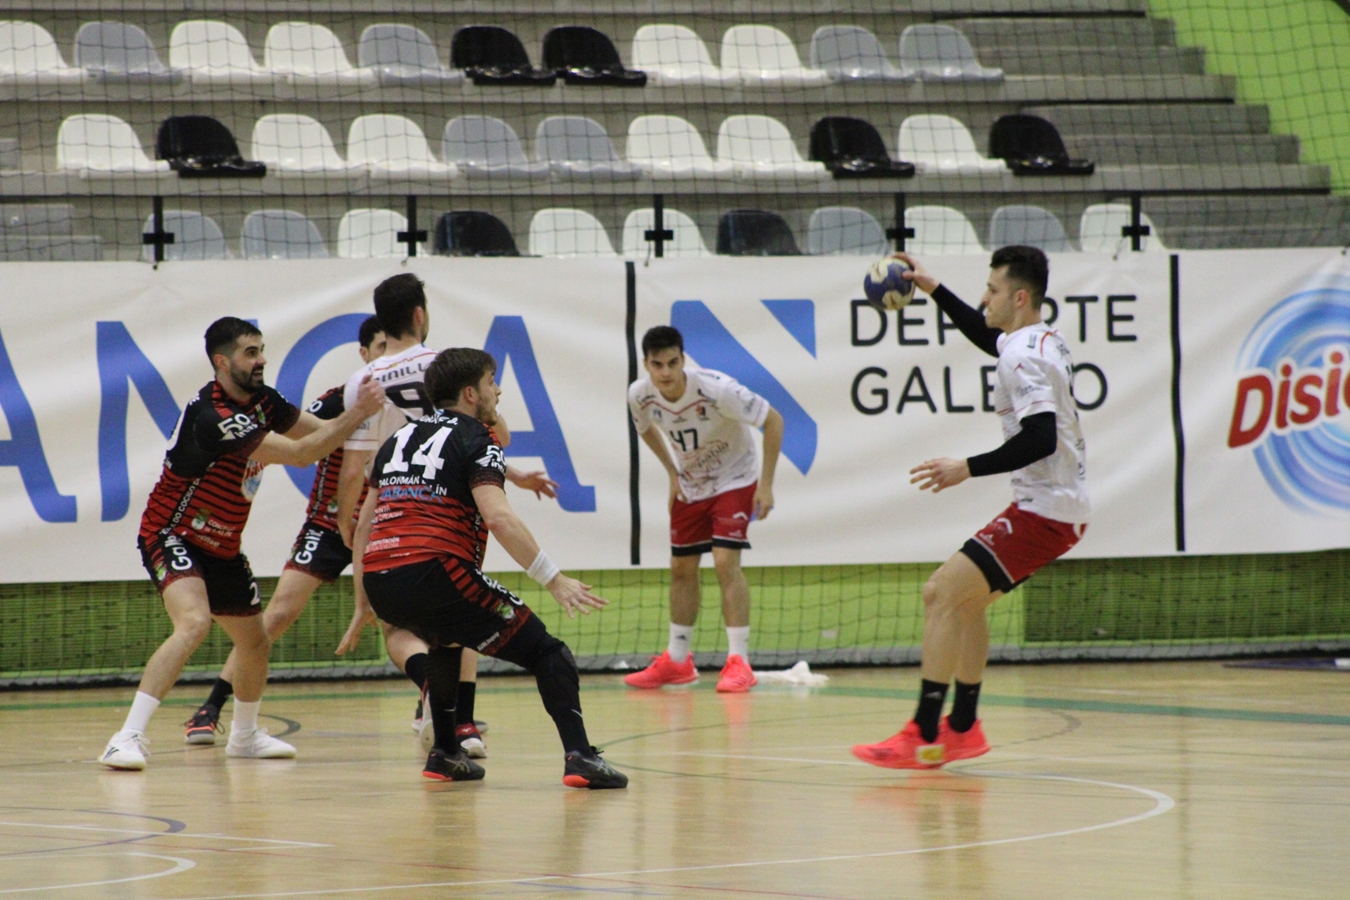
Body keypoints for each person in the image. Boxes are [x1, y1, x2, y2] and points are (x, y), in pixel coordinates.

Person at [100, 317, 385, 770]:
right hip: (173, 533)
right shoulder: (214, 417)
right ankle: (125, 737)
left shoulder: (264, 401)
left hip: (223, 546)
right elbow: (301, 454)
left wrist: (373, 421)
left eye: (262, 349)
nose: (262, 359)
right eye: (251, 352)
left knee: (255, 643)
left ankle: (245, 736)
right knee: (194, 623)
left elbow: (320, 431)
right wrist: (358, 413)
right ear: (222, 361)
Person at [852, 246, 1089, 769]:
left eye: (993, 290)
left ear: (1019, 298)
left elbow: (1041, 438)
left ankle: (923, 733)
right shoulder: (1040, 338)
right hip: (1057, 508)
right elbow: (987, 336)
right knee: (965, 604)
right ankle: (963, 728)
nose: (984, 298)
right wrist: (934, 288)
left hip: (1045, 511)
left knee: (940, 593)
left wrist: (967, 467)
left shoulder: (1024, 355)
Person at [357, 347, 627, 788]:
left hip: (380, 577)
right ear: (470, 393)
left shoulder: (398, 439)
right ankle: (580, 757)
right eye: (491, 382)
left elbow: (364, 522)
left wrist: (362, 597)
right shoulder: (477, 438)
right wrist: (554, 579)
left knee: (446, 643)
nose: (497, 391)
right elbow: (499, 518)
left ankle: (445, 754)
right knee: (548, 652)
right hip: (436, 571)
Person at [333, 273, 558, 759]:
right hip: (450, 505)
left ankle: (432, 696)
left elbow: (353, 469)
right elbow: (491, 437)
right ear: (420, 314)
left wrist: (345, 522)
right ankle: (463, 722)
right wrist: (514, 475)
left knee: (396, 626)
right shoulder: (445, 365)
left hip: (389, 505)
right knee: (463, 607)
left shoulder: (363, 381)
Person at [181, 316, 389, 745]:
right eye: (381, 347)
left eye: (397, 347)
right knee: (275, 616)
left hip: (384, 522)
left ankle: (439, 713)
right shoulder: (342, 399)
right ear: (365, 354)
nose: (390, 356)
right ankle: (211, 707)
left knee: (408, 618)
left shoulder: (416, 403)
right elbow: (301, 444)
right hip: (330, 523)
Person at [623, 326, 784, 693]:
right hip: (691, 482)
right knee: (681, 568)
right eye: (657, 364)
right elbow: (645, 429)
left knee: (725, 562)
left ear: (683, 359)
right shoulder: (639, 395)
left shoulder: (718, 390)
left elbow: (774, 420)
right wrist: (672, 473)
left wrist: (766, 484)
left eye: (673, 363)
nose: (666, 372)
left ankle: (739, 661)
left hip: (734, 477)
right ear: (646, 364)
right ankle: (678, 661)